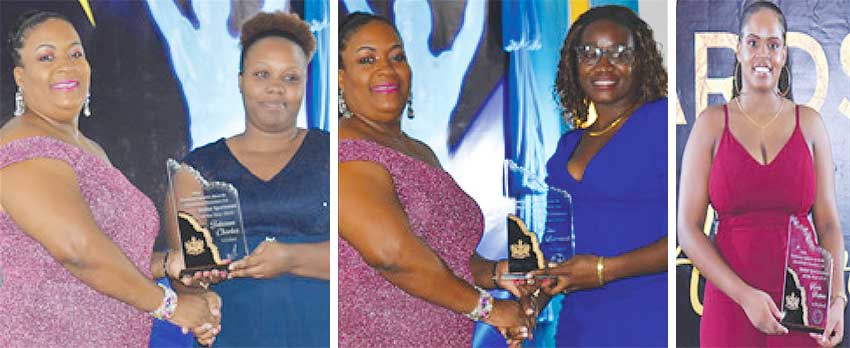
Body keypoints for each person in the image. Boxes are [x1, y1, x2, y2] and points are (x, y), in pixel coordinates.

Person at [0, 10, 219, 347]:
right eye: (46, 56)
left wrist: (170, 263)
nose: (65, 65)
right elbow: (78, 251)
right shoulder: (22, 146)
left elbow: (110, 255)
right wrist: (171, 306)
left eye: (76, 53)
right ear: (19, 76)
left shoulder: (90, 149)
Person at [337, 12, 532, 347]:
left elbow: (444, 255)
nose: (387, 69)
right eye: (367, 59)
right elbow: (393, 255)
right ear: (341, 79)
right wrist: (490, 309)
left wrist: (497, 273)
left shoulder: (418, 150)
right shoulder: (347, 151)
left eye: (397, 56)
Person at [490, 5, 668, 347]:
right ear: (574, 63)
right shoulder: (567, 145)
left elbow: (683, 238)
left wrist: (604, 270)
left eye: (619, 53)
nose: (603, 65)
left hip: (649, 319)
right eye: (590, 53)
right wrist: (532, 301)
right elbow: (556, 247)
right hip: (581, 325)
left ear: (640, 60)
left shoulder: (658, 122)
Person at [678, 1, 845, 347]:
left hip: (800, 308)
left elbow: (828, 224)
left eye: (773, 44)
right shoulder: (710, 124)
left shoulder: (810, 124)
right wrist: (744, 295)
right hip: (730, 304)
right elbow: (687, 229)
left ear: (785, 53)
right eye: (753, 42)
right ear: (738, 50)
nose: (763, 54)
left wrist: (837, 299)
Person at [162, 11, 330, 348]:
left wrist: (291, 258)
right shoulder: (196, 169)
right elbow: (185, 268)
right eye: (262, 74)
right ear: (240, 80)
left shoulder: (335, 155)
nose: (275, 88)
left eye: (290, 77)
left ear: (305, 83)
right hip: (235, 330)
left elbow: (361, 256)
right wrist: (193, 290)